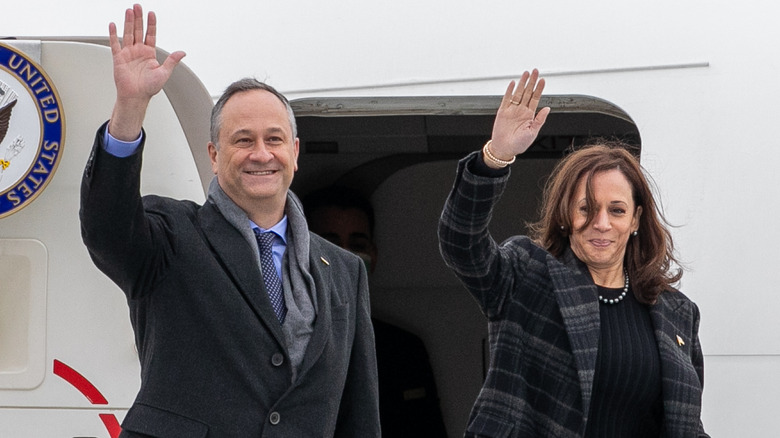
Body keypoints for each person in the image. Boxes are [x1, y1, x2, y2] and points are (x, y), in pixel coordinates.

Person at [79, 5, 379, 437]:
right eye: (243, 140)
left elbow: (358, 414)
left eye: (273, 139)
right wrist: (130, 109)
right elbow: (106, 229)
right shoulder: (172, 235)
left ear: (294, 151)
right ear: (215, 156)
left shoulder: (344, 270)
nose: (261, 153)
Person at [438, 70, 708, 437]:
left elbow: (686, 427)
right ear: (565, 215)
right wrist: (496, 156)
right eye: (586, 208)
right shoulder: (526, 277)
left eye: (616, 210)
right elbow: (460, 241)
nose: (601, 223)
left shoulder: (678, 314)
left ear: (635, 220)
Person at [303, 186, 448, 438]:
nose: (346, 257)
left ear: (373, 254)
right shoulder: (290, 346)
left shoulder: (405, 351)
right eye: (331, 244)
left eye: (357, 244)